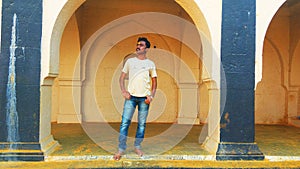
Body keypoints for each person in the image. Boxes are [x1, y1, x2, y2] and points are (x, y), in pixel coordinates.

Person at [113, 37, 157, 160]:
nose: (138, 46)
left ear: (146, 48)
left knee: (141, 124)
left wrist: (151, 95)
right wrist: (123, 91)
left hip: (144, 99)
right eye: (137, 45)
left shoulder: (150, 64)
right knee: (124, 123)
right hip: (130, 98)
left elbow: (154, 81)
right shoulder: (130, 62)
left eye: (141, 45)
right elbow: (121, 78)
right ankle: (121, 149)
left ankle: (137, 146)